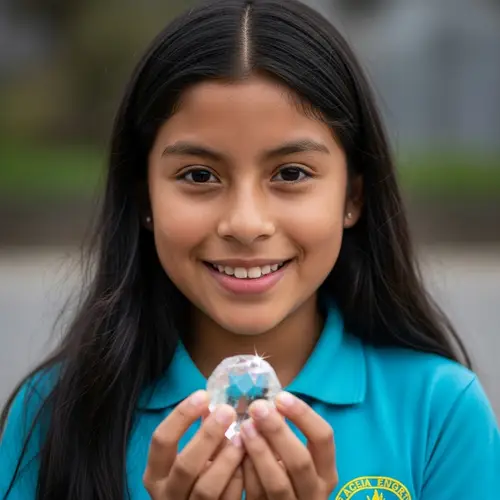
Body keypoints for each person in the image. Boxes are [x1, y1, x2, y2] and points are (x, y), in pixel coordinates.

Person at [1, 0, 499, 498]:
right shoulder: (52, 414)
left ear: (352, 196)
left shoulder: (439, 412)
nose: (245, 223)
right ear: (144, 197)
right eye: (199, 175)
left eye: (291, 174)